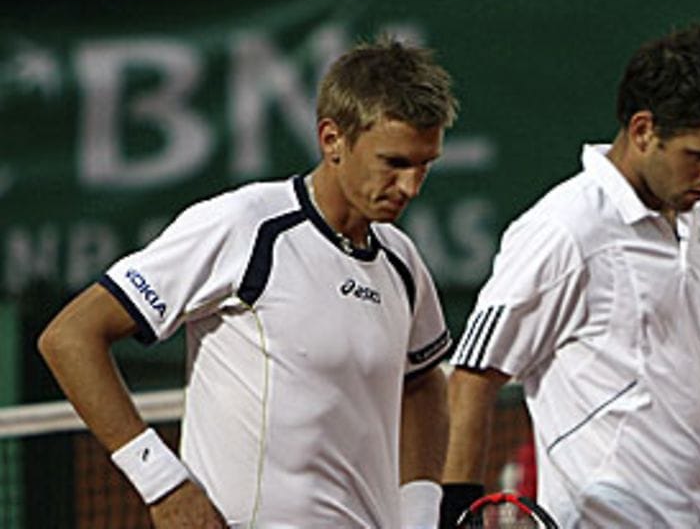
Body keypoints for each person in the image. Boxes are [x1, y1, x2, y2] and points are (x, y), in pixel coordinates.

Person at [441, 23, 700, 528]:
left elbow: (695, 354)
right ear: (643, 131)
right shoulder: (563, 229)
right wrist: (458, 512)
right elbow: (473, 373)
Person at [37, 38, 458, 528]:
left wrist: (422, 513)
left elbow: (425, 381)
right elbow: (69, 337)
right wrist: (162, 484)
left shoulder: (401, 260)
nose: (410, 187)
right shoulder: (243, 225)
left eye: (425, 166)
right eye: (395, 163)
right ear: (331, 140)